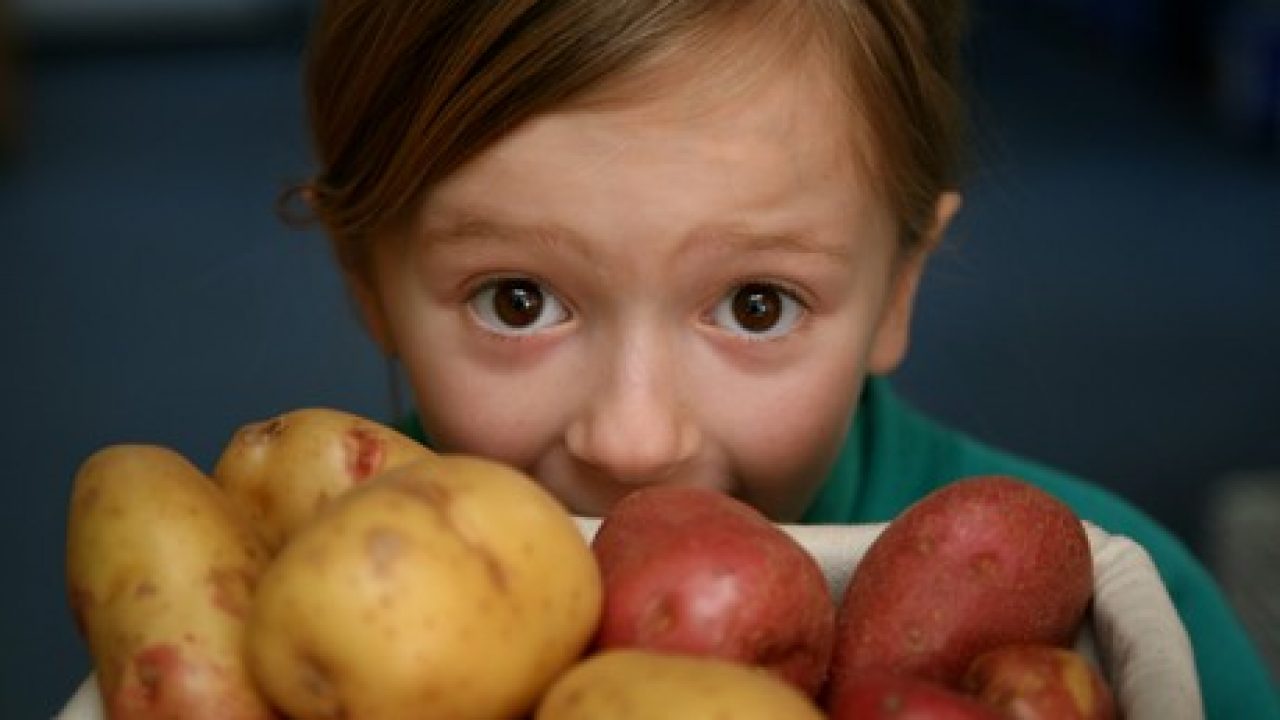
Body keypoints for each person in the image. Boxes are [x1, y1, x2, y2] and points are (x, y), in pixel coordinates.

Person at [290, 1, 1279, 716]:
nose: (633, 441)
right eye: (517, 299)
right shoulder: (286, 612)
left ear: (898, 288)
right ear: (365, 282)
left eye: (755, 305)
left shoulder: (1131, 612)